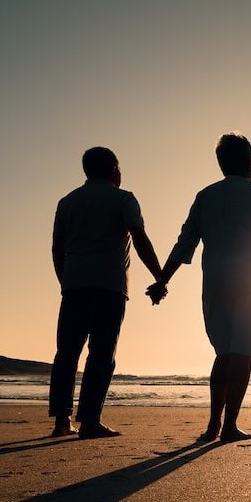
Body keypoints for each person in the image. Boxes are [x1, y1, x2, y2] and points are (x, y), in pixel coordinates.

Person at [148, 133, 251, 443]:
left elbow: (184, 244)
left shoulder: (205, 196)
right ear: (250, 163)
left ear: (221, 163)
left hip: (216, 284)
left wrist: (162, 281)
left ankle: (212, 424)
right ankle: (229, 425)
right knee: (241, 353)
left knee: (223, 353)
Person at [49, 146, 165, 439]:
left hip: (74, 286)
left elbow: (57, 248)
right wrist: (160, 276)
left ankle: (62, 422)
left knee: (67, 353)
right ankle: (89, 421)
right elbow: (139, 237)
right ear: (115, 169)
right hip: (110, 286)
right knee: (101, 354)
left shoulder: (68, 201)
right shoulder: (124, 198)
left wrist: (66, 280)